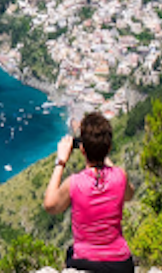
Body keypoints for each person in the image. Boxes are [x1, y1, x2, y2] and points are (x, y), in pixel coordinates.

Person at [43, 111, 135, 273]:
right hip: (121, 264)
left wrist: (61, 161)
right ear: (109, 148)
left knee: (70, 253)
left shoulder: (74, 183)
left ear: (82, 149)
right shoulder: (120, 176)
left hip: (85, 262)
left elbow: (50, 205)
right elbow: (129, 195)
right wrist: (102, 155)